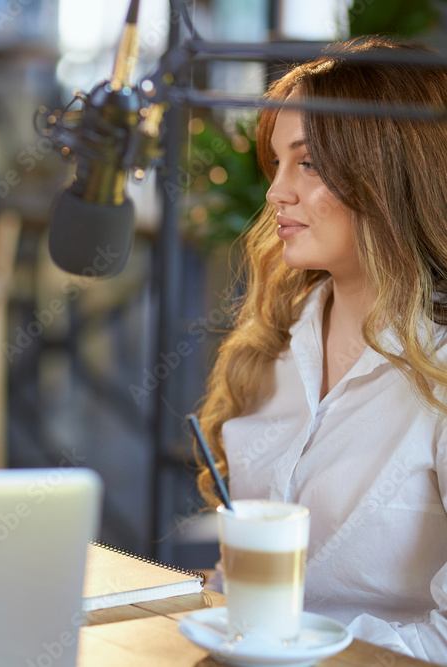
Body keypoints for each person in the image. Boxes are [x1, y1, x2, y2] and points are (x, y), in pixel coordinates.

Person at [195, 36, 447, 662]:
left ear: (390, 176)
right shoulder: (276, 339)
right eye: (276, 164)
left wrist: (301, 650)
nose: (276, 192)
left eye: (306, 164)